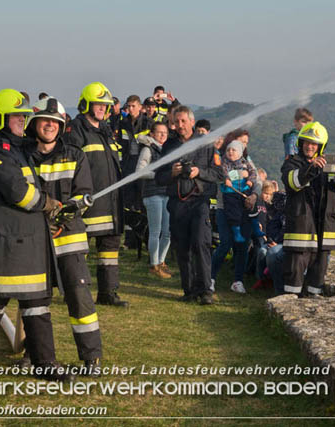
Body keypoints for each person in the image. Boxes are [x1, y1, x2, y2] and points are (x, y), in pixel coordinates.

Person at [0, 88, 72, 384]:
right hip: (0, 243)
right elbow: (16, 191)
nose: (23, 121)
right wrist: (48, 204)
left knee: (38, 304)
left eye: (25, 116)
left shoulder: (17, 147)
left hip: (25, 242)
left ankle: (45, 364)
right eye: (16, 116)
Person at [25, 96, 102, 373]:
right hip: (35, 240)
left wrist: (63, 216)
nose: (50, 126)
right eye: (45, 121)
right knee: (34, 301)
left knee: (79, 298)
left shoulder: (75, 155)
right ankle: (34, 354)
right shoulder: (24, 157)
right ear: (35, 124)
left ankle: (91, 358)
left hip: (68, 239)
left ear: (62, 126)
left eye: (55, 122)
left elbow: (83, 196)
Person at [64, 82, 128, 307]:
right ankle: (76, 292)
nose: (102, 109)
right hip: (88, 202)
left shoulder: (105, 131)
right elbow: (70, 166)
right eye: (98, 104)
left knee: (110, 251)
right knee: (79, 250)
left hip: (110, 204)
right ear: (86, 105)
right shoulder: (76, 129)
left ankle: (108, 293)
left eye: (105, 105)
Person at [155, 106, 224, 305]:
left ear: (192, 122)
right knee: (182, 248)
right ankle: (189, 289)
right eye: (177, 122)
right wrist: (173, 173)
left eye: (184, 121)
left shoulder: (206, 144)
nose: (180, 125)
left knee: (201, 243)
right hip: (177, 204)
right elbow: (159, 177)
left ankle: (206, 290)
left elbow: (219, 174)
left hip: (199, 202)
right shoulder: (168, 146)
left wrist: (198, 172)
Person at [280, 121, 335, 296]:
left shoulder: (329, 166)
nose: (310, 146)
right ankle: (288, 311)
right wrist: (312, 168)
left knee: (317, 282)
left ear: (320, 147)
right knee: (293, 282)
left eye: (314, 144)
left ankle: (312, 302)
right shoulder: (292, 163)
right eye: (307, 142)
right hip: (300, 234)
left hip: (323, 233)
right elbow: (293, 182)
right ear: (300, 143)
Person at [210, 129, 262, 295]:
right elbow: (221, 175)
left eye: (246, 143)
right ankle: (210, 277)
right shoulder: (222, 158)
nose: (244, 145)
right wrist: (241, 173)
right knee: (225, 243)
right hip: (224, 207)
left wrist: (254, 195)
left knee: (242, 245)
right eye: (242, 141)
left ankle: (238, 280)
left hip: (244, 207)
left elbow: (257, 180)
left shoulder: (247, 160)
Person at [135, 122, 171, 279]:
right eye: (159, 132)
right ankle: (154, 264)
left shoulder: (167, 150)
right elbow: (139, 172)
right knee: (155, 231)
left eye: (165, 132)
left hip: (167, 193)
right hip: (152, 193)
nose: (162, 135)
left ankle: (161, 262)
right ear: (152, 134)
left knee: (168, 231)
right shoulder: (147, 149)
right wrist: (157, 175)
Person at [220, 140, 262, 243]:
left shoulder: (245, 162)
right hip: (230, 192)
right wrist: (228, 179)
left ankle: (256, 227)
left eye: (233, 150)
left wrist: (250, 182)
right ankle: (237, 232)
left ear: (239, 152)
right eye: (228, 150)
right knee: (234, 213)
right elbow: (223, 173)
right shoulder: (224, 163)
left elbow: (253, 173)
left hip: (244, 190)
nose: (230, 152)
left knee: (252, 208)